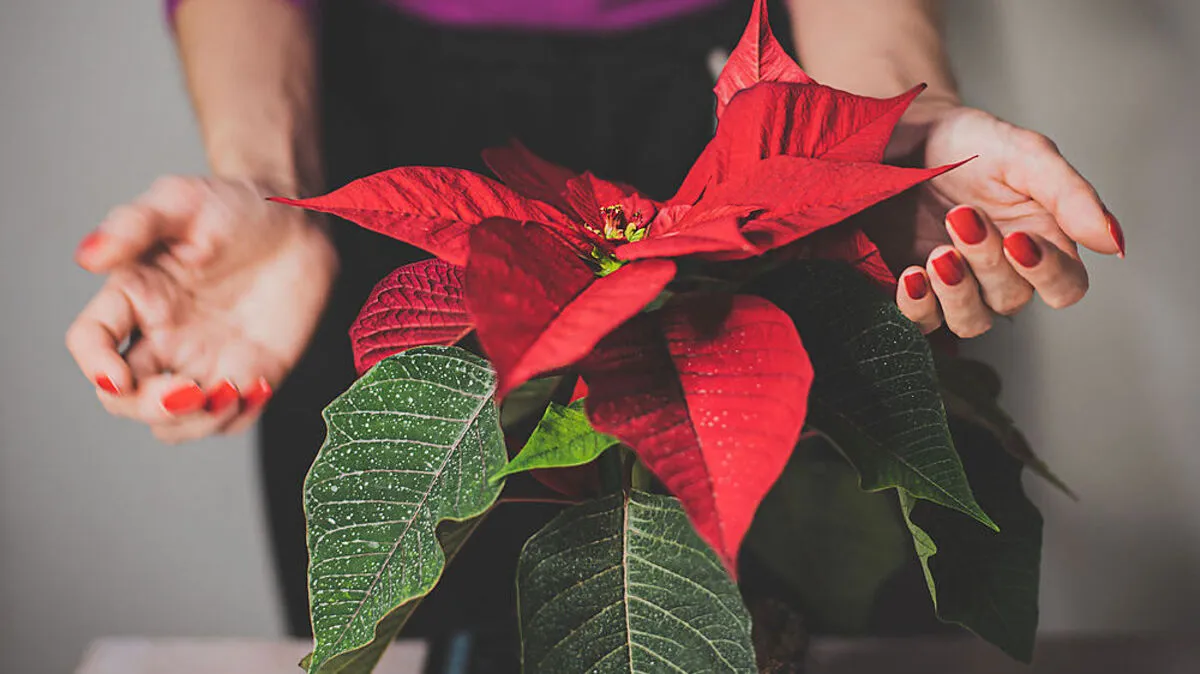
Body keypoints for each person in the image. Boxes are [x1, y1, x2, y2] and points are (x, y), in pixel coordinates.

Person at [65, 0, 1125, 666]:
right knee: (418, 589)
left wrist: (891, 144)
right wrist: (267, 185)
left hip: (726, 100)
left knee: (847, 574)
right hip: (379, 116)